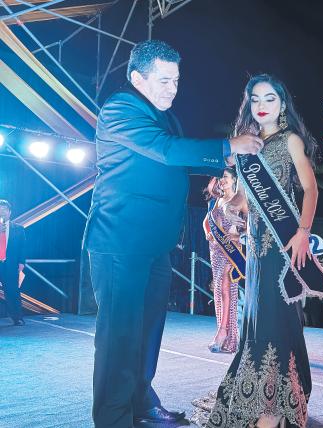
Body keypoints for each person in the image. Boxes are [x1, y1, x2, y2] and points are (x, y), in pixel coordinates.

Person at [83, 40, 263, 428]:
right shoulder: (120, 109)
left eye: (177, 80)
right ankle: (114, 419)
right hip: (120, 243)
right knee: (119, 338)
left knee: (147, 334)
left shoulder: (163, 116)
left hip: (156, 245)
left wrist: (229, 161)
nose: (173, 89)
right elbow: (166, 151)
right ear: (137, 78)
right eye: (164, 80)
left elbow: (176, 160)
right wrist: (227, 145)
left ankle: (141, 404)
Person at [207, 74, 323, 428]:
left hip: (282, 244)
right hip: (255, 251)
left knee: (276, 320)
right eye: (256, 99)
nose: (262, 106)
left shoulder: (290, 140)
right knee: (256, 321)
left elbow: (311, 189)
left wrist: (304, 232)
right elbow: (245, 199)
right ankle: (261, 398)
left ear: (282, 104)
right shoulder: (249, 146)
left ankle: (272, 409)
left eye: (270, 98)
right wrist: (232, 205)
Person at [203, 167, 247, 353]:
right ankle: (225, 335)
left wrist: (238, 236)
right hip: (215, 252)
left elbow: (251, 224)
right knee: (219, 293)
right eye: (221, 177)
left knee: (226, 289)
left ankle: (223, 333)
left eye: (226, 177)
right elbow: (206, 222)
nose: (222, 180)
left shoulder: (239, 200)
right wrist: (208, 233)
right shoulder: (217, 201)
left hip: (231, 252)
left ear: (235, 180)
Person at [0, 200, 26, 326]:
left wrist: (21, 262)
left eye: (4, 210)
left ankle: (17, 317)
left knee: (12, 291)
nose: (2, 212)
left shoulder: (19, 229)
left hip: (10, 264)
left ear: (9, 212)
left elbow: (22, 247)